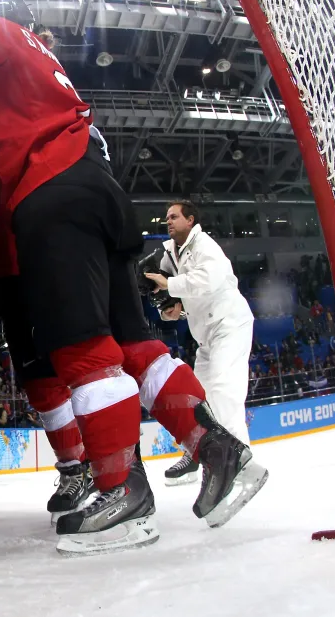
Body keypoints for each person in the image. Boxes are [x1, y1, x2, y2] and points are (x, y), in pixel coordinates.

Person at [0, 0, 267, 555]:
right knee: (135, 345)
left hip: (52, 191)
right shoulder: (38, 63)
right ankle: (220, 453)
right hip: (97, 187)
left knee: (82, 351)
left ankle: (123, 498)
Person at [146, 200, 256, 486]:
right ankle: (198, 454)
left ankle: (239, 463)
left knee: (224, 393)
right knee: (199, 399)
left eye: (174, 216)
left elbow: (209, 280)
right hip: (206, 334)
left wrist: (169, 285)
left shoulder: (204, 245)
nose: (168, 221)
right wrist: (176, 310)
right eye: (166, 218)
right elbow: (188, 297)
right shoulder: (171, 253)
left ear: (190, 220)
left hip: (230, 325)